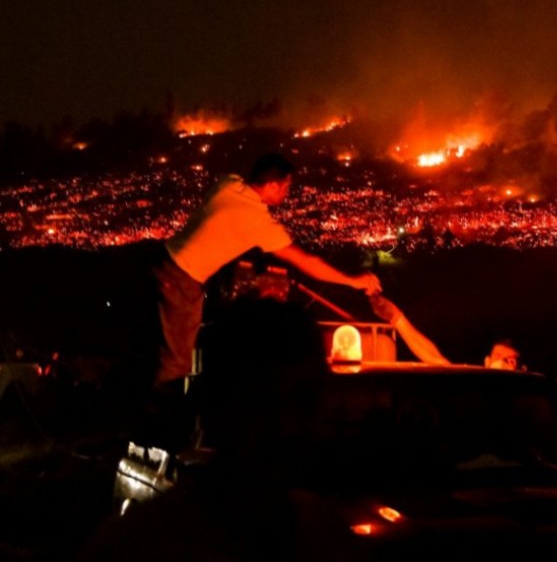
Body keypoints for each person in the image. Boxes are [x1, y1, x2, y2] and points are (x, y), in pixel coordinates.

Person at [78, 298, 362, 562]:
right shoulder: (141, 545)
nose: (285, 424)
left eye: (304, 398)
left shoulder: (327, 535)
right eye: (260, 402)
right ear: (216, 404)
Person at [152, 152, 381, 388]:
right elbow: (306, 261)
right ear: (272, 185)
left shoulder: (228, 184)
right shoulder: (257, 220)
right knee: (176, 363)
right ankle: (166, 419)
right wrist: (352, 280)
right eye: (286, 187)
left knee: (157, 352)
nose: (287, 193)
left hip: (163, 262)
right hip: (182, 279)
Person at [368, 294, 523, 370]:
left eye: (509, 360)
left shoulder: (529, 404)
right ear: (487, 362)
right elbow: (435, 360)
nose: (501, 363)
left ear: (523, 369)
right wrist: (396, 318)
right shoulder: (472, 392)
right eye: (498, 357)